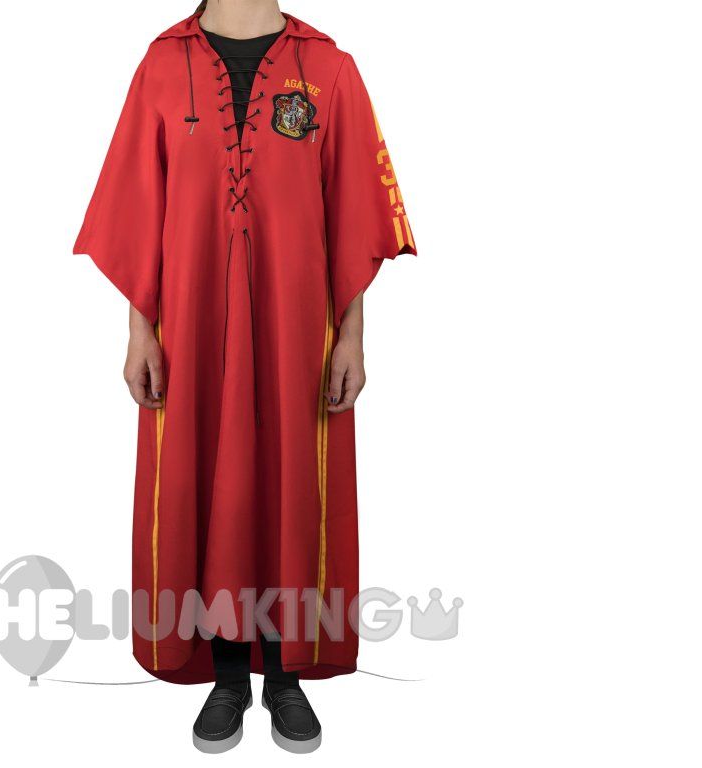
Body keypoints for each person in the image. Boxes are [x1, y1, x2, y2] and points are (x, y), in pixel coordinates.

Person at [74, 0, 415, 753]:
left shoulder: (329, 69)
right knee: (210, 483)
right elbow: (139, 209)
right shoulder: (162, 67)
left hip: (299, 327)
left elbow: (352, 212)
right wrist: (139, 331)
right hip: (191, 326)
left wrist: (353, 336)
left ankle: (285, 674)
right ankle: (228, 675)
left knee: (289, 481)